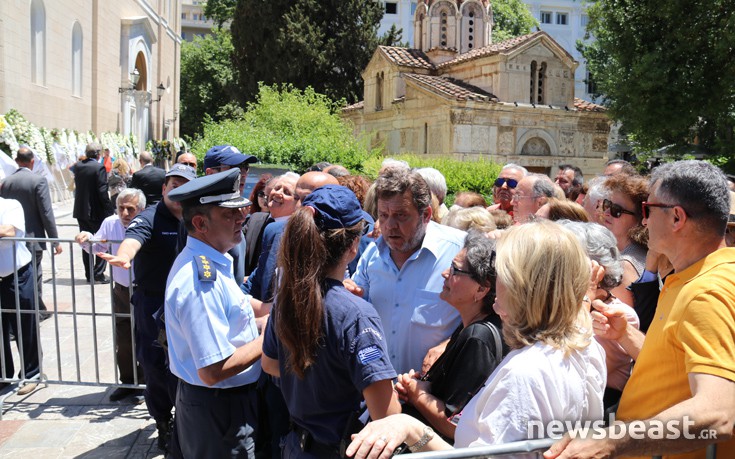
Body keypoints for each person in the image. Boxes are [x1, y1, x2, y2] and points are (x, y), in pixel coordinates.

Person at [346, 221, 606, 458]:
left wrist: (411, 428)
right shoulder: (586, 346)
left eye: (501, 273)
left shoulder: (524, 374)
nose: (495, 283)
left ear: (522, 285)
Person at [545, 160, 735, 459]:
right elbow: (678, 365)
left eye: (647, 210)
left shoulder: (706, 291)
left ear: (676, 217)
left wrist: (612, 441)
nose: (643, 222)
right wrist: (626, 336)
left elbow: (718, 412)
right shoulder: (696, 278)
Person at [262, 185, 400, 458]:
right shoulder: (356, 314)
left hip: (297, 446)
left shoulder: (286, 299)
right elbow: (387, 414)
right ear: (353, 245)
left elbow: (270, 364)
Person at [165, 169, 263, 458]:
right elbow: (212, 371)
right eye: (228, 215)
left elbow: (230, 322)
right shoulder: (200, 279)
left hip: (220, 405)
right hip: (219, 408)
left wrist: (263, 319)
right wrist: (270, 336)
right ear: (200, 223)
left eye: (239, 211)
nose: (241, 218)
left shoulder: (212, 263)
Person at [99, 163, 196, 452]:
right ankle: (164, 422)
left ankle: (186, 421)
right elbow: (134, 237)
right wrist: (124, 255)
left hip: (188, 303)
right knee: (155, 368)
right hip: (154, 303)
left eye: (185, 185)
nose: (178, 190)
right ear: (164, 189)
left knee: (187, 365)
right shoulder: (150, 216)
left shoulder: (196, 216)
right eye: (173, 185)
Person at [348, 168, 465, 374]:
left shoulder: (459, 252)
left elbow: (488, 316)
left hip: (431, 394)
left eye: (401, 216)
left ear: (426, 215)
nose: (390, 226)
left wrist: (450, 343)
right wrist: (350, 296)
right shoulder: (371, 254)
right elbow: (358, 305)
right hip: (380, 390)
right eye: (383, 215)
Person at [396, 231, 502, 441]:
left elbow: (455, 425)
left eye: (455, 270)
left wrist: (418, 394)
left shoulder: (477, 337)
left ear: (481, 289)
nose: (445, 273)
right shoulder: (470, 325)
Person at [558, 220, 639, 408]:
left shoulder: (619, 315)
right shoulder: (569, 307)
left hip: (597, 416)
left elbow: (573, 368)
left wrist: (585, 297)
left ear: (596, 269)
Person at [75, 188, 146, 402]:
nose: (125, 213)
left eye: (130, 209)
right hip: (122, 289)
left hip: (144, 289)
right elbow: (96, 246)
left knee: (145, 336)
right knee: (123, 337)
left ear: (140, 209)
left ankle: (145, 383)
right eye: (121, 208)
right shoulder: (110, 223)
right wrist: (86, 238)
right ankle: (127, 382)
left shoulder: (146, 223)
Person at [0, 146, 62, 319]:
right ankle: (35, 313)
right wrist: (55, 240)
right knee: (34, 277)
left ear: (16, 160)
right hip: (33, 237)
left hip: (13, 239)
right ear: (32, 161)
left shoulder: (7, 182)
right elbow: (46, 213)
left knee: (16, 278)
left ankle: (27, 312)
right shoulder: (38, 180)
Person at [0, 196, 42, 396]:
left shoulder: (10, 205)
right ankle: (3, 375)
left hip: (17, 274)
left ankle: (32, 374)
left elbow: (8, 231)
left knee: (24, 324)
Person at [202, 145, 258, 287]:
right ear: (210, 173)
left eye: (245, 167)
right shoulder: (203, 216)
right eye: (235, 168)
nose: (243, 174)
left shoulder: (237, 212)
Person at [600, 173, 649, 309]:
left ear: (639, 219)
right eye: (607, 204)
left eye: (617, 210)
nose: (607, 212)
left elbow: (628, 322)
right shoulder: (643, 252)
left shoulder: (624, 266)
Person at [73, 142, 114, 283]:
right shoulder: (99, 167)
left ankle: (89, 273)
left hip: (81, 210)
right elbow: (102, 191)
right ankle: (98, 273)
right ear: (98, 154)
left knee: (85, 242)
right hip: (97, 211)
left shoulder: (78, 166)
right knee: (102, 241)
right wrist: (110, 209)